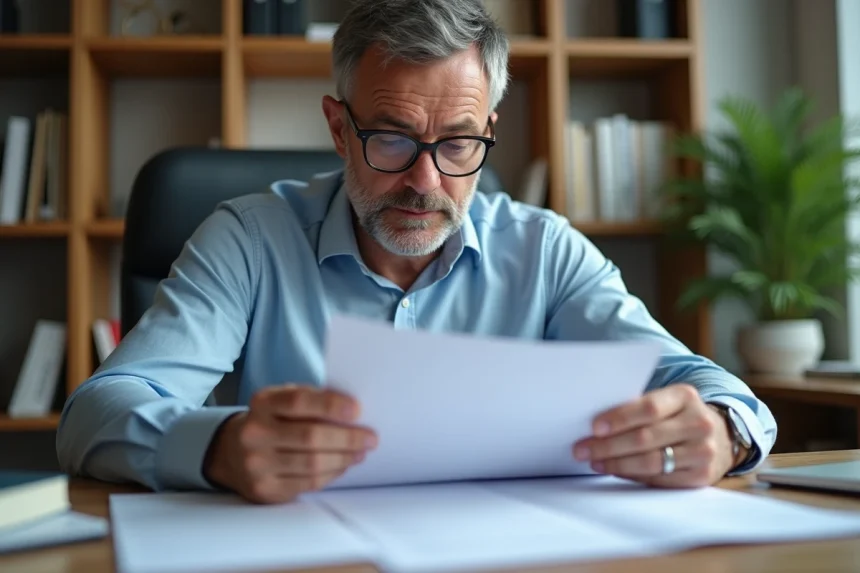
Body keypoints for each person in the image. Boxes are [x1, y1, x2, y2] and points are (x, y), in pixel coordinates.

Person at [56, 0, 776, 505]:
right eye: (393, 137)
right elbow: (95, 414)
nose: (425, 181)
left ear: (489, 130)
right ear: (340, 129)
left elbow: (715, 389)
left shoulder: (544, 250)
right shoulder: (248, 239)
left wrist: (718, 431)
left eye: (458, 142)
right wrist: (219, 446)